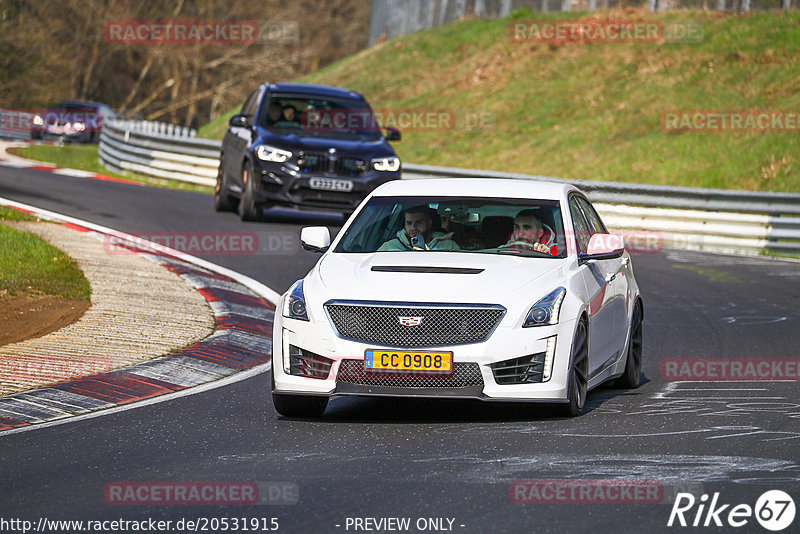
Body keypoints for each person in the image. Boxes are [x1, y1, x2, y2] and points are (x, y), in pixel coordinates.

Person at [378, 205, 460, 251]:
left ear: (429, 223)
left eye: (419, 222)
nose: (413, 227)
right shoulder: (389, 247)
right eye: (409, 223)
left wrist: (431, 256)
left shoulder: (449, 246)